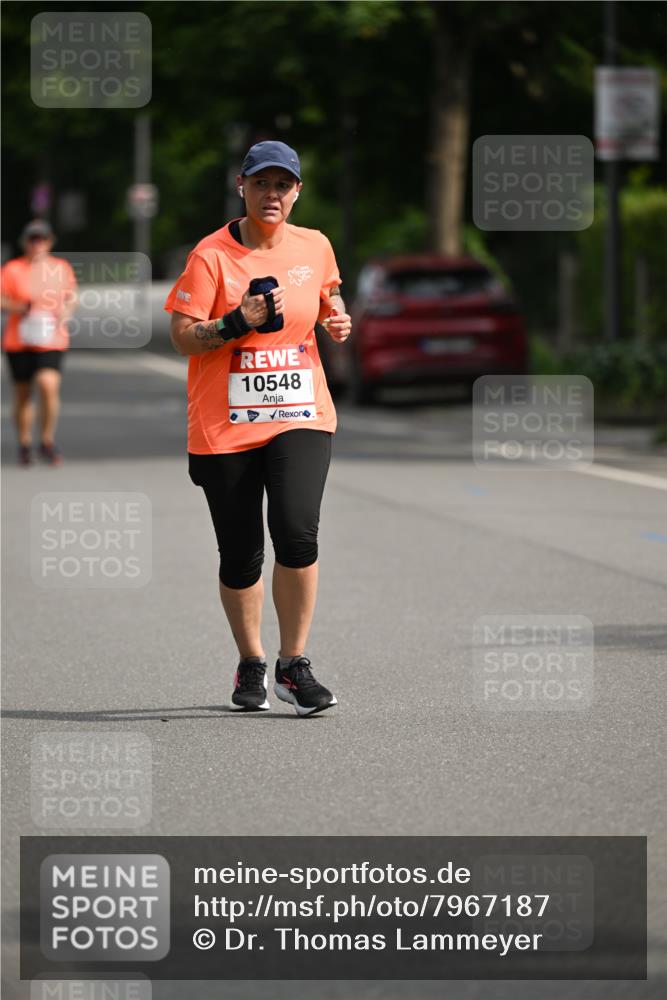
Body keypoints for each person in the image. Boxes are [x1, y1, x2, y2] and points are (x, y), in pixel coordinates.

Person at [165, 140, 352, 716]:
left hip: (300, 414)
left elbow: (325, 292)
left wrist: (336, 315)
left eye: (283, 185)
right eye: (261, 184)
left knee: (297, 533)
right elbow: (181, 335)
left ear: (297, 192)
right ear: (241, 187)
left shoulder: (315, 245)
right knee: (242, 553)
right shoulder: (211, 256)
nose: (273, 195)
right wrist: (232, 323)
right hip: (225, 426)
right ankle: (251, 658)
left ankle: (294, 665)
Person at [1, 219, 77, 465]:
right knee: (23, 394)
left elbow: (71, 297)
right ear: (25, 242)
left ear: (49, 241)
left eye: (41, 239)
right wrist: (20, 307)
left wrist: (65, 313)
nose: (37, 244)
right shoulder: (13, 269)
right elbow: (1, 299)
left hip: (51, 338)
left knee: (48, 384)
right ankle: (24, 443)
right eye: (32, 239)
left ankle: (46, 440)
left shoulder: (61, 267)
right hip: (19, 340)